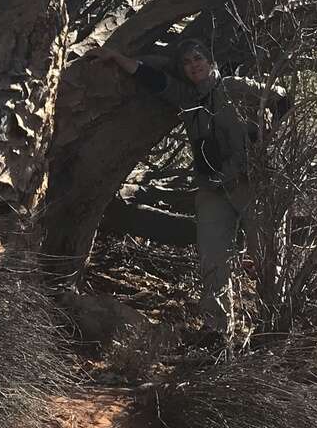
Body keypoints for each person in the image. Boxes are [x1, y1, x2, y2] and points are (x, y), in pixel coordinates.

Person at [98, 38, 291, 335]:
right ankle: (216, 330)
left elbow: (282, 98)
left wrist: (263, 137)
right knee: (213, 260)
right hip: (212, 189)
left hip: (252, 185)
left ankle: (276, 327)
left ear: (211, 60)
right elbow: (154, 79)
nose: (194, 65)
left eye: (199, 58)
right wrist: (117, 57)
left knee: (267, 256)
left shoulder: (233, 86)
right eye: (187, 62)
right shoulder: (188, 98)